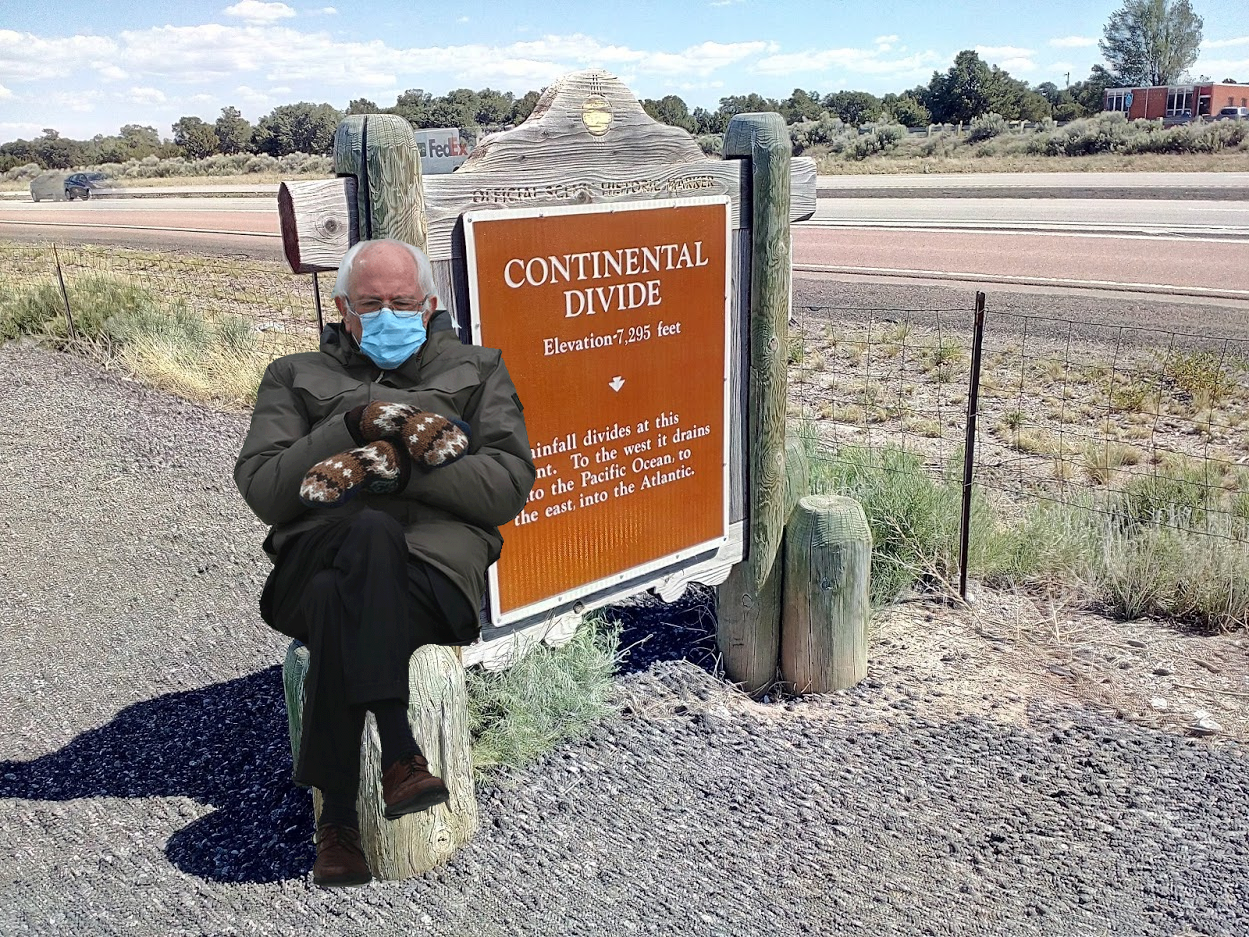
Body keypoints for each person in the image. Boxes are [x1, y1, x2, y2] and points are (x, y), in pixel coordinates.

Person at [234, 238, 535, 887]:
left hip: (432, 575)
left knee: (356, 568)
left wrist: (393, 473)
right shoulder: (293, 376)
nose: (389, 313)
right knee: (362, 545)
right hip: (311, 565)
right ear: (344, 308)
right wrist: (352, 422)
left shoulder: (476, 371)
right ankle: (400, 754)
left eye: (403, 301)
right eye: (372, 303)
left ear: (428, 304)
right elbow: (264, 490)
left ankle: (337, 821)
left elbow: (505, 485)